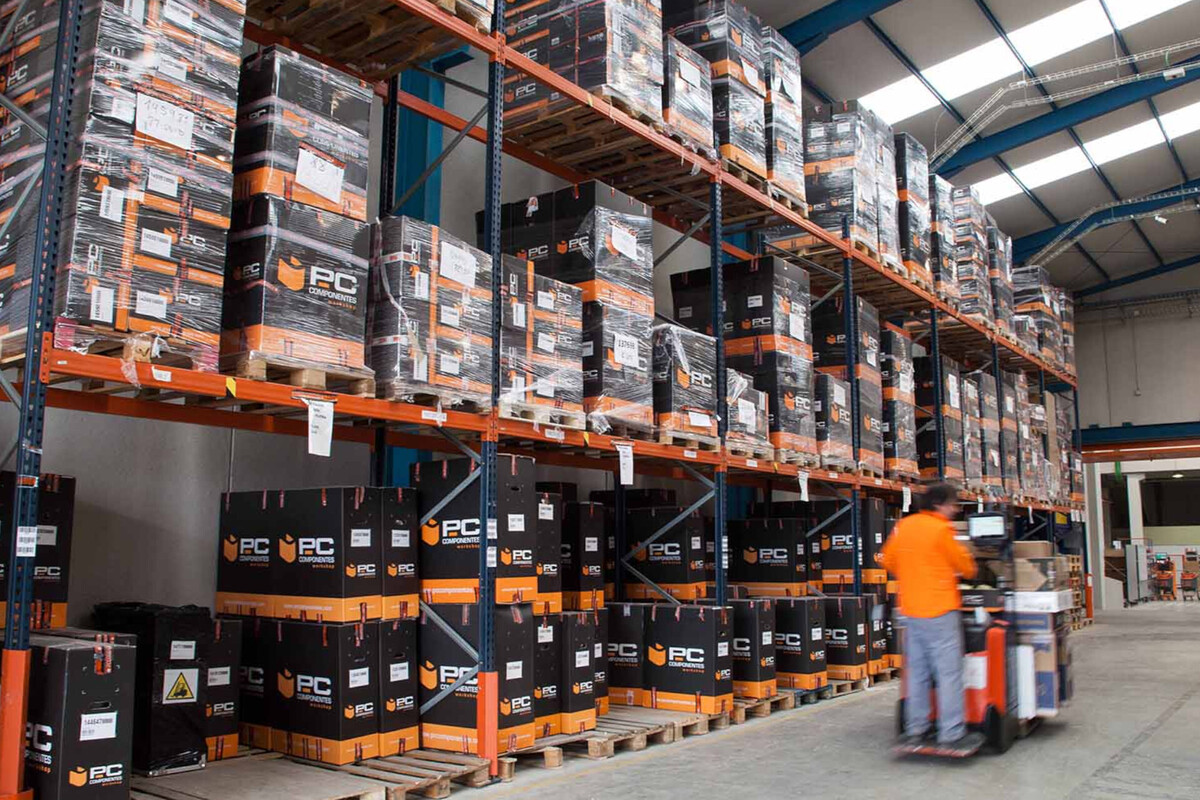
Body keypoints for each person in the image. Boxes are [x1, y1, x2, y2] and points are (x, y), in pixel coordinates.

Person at [879, 481, 983, 753]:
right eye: (952, 504)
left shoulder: (905, 526)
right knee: (949, 673)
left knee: (917, 672)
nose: (955, 509)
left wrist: (913, 573)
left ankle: (916, 731)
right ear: (939, 504)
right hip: (939, 610)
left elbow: (887, 560)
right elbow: (966, 567)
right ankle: (952, 734)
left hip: (910, 610)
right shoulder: (941, 529)